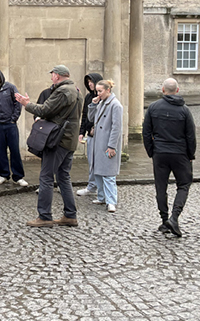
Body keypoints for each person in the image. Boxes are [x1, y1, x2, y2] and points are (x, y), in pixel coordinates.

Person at [16, 65, 81, 227]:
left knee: (46, 177)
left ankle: (45, 216)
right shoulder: (76, 91)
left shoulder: (62, 91)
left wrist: (26, 104)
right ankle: (70, 215)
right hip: (69, 140)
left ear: (57, 76)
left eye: (52, 75)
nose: (51, 78)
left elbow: (45, 110)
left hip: (58, 141)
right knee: (63, 177)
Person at [143, 77, 196, 237]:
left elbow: (146, 133)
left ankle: (165, 219)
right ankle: (174, 217)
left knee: (161, 187)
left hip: (160, 152)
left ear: (163, 90)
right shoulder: (184, 110)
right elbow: (191, 135)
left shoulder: (153, 108)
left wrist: (151, 151)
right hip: (180, 153)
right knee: (184, 185)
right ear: (177, 90)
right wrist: (191, 154)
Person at [0, 68, 27, 187]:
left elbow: (18, 103)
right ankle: (3, 174)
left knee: (15, 151)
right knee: (0, 151)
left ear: (1, 77)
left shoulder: (10, 87)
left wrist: (14, 119)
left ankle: (18, 176)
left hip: (10, 125)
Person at [88, 79, 123, 213]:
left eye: (100, 91)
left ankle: (111, 201)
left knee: (108, 174)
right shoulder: (101, 102)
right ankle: (102, 197)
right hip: (99, 142)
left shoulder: (115, 105)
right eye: (97, 91)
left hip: (107, 143)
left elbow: (116, 128)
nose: (98, 93)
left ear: (108, 90)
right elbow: (91, 119)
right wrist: (92, 105)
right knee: (98, 171)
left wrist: (112, 146)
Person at [76, 73, 103, 198]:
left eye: (92, 81)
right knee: (92, 162)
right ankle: (92, 186)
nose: (90, 84)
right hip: (90, 135)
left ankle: (100, 189)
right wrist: (81, 132)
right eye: (88, 82)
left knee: (100, 163)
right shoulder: (88, 97)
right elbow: (85, 116)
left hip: (102, 135)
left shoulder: (104, 98)